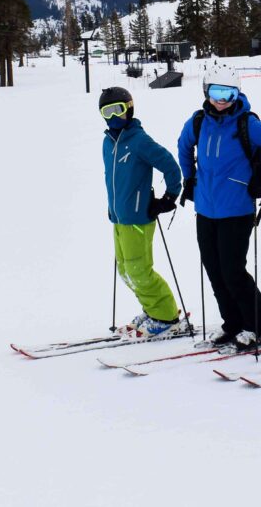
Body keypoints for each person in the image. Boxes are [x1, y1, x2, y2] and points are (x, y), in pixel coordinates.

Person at [177, 66, 261, 352]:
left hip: (237, 211)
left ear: (237, 93)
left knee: (233, 272)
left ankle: (260, 326)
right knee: (215, 271)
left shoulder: (248, 124)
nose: (222, 99)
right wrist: (189, 178)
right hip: (205, 210)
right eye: (216, 92)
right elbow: (183, 147)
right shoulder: (197, 122)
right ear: (206, 91)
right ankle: (232, 323)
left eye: (228, 93)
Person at [99, 87, 188, 337]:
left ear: (130, 108)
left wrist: (169, 197)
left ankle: (166, 316)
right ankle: (152, 308)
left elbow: (170, 166)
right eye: (106, 112)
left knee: (139, 270)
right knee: (125, 271)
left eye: (118, 110)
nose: (113, 117)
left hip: (138, 218)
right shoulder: (108, 143)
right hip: (119, 219)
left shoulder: (139, 141)